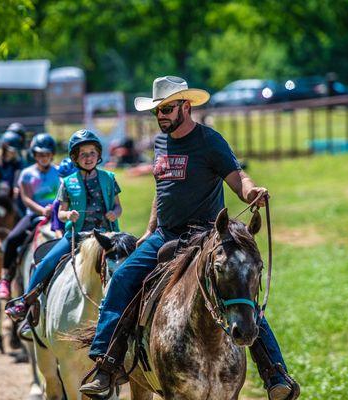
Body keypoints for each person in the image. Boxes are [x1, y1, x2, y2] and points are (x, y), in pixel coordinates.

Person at [79, 76, 299, 400]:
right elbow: (162, 191)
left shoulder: (209, 141)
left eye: (167, 108)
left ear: (186, 106)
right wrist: (151, 229)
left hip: (206, 238)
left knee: (239, 291)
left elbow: (237, 177)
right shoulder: (160, 143)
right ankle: (106, 364)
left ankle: (274, 373)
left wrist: (251, 192)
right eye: (158, 110)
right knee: (124, 278)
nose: (162, 116)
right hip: (165, 235)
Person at [4, 129, 123, 320]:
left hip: (107, 236)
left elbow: (118, 207)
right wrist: (68, 214)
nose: (88, 157)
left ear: (99, 154)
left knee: (132, 257)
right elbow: (60, 212)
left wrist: (113, 213)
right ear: (75, 158)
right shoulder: (67, 182)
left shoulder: (109, 178)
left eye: (92, 153)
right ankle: (25, 302)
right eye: (82, 154)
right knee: (48, 261)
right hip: (76, 235)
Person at [0, 133, 60, 300]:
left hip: (58, 216)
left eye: (46, 154)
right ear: (34, 155)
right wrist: (41, 210)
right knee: (12, 239)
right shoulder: (27, 174)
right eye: (39, 154)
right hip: (34, 216)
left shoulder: (60, 173)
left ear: (52, 154)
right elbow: (26, 198)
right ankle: (6, 279)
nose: (43, 157)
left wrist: (57, 208)